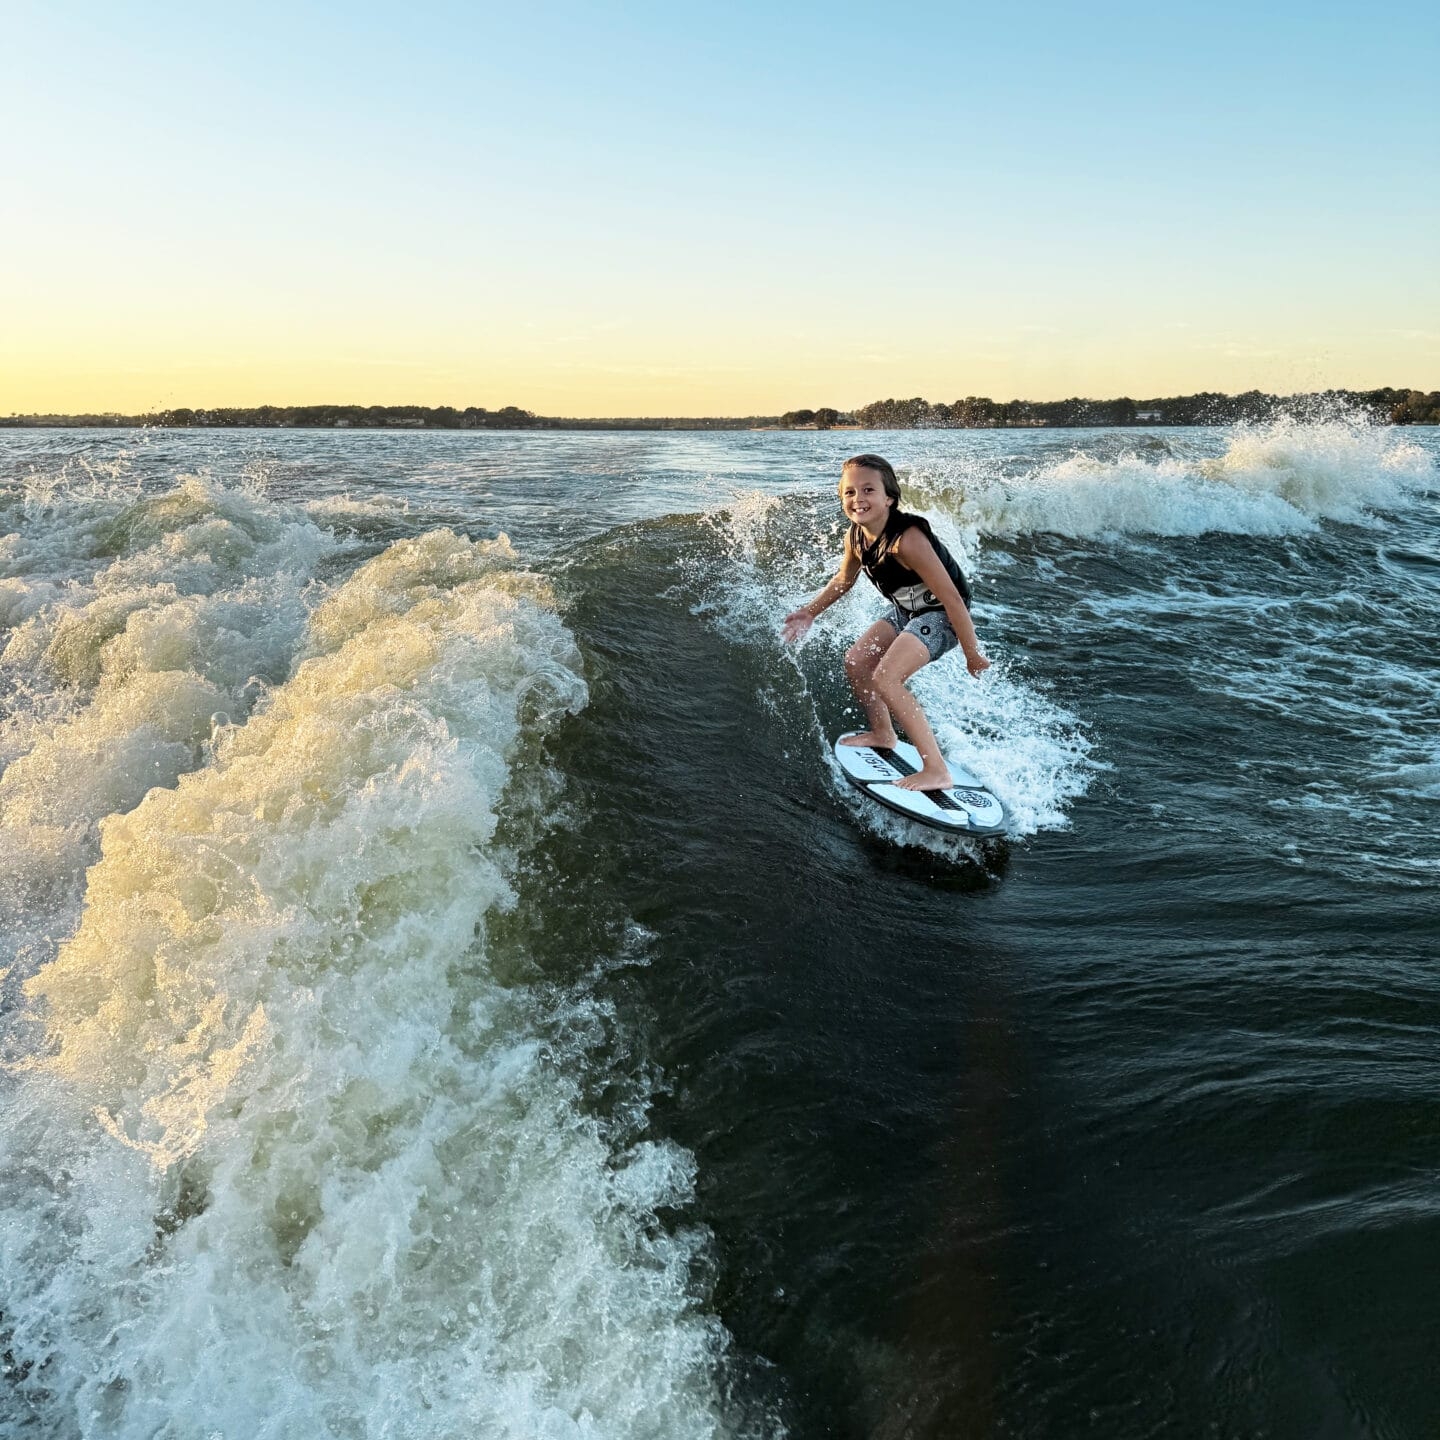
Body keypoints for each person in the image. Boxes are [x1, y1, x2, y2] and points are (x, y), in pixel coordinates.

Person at [782, 453, 989, 792]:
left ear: (889, 497)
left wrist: (971, 653)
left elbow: (952, 600)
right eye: (849, 492)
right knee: (857, 662)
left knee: (887, 678)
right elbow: (843, 580)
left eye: (868, 490)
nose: (858, 499)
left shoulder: (908, 540)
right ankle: (883, 733)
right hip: (907, 608)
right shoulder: (856, 537)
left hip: (942, 615)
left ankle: (936, 770)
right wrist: (810, 612)